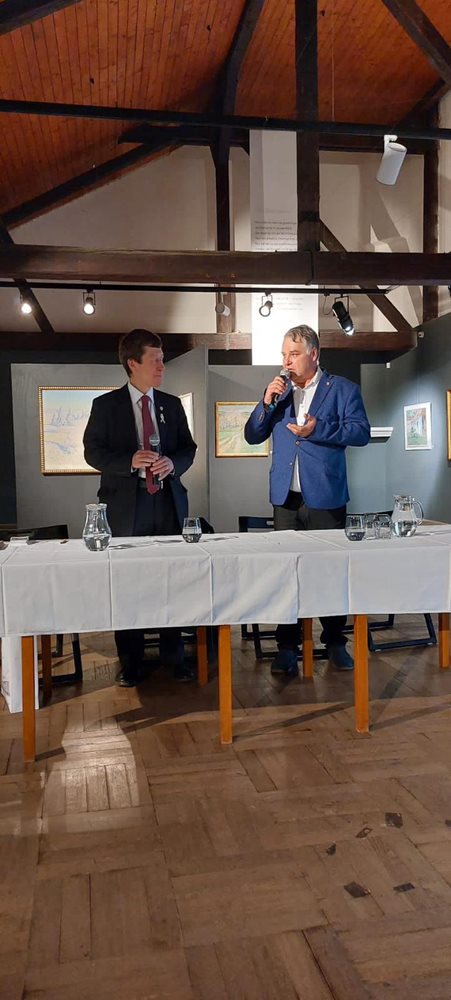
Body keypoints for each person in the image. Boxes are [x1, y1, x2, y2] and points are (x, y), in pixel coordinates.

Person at [244, 324, 370, 676]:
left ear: (314, 354)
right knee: (286, 574)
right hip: (285, 499)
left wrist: (320, 429)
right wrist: (266, 402)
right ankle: (287, 646)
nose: (286, 361)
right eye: (284, 354)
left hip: (326, 497)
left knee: (330, 572)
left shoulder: (343, 389)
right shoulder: (279, 392)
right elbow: (252, 435)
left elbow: (361, 432)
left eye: (294, 354)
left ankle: (335, 642)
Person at [83, 328, 197, 687]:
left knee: (171, 582)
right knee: (127, 585)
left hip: (167, 505)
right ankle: (131, 663)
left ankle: (174, 658)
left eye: (163, 359)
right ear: (133, 363)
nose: (162, 366)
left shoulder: (171, 405)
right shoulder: (105, 406)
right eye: (155, 360)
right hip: (125, 509)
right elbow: (92, 452)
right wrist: (129, 461)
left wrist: (173, 464)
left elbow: (188, 448)